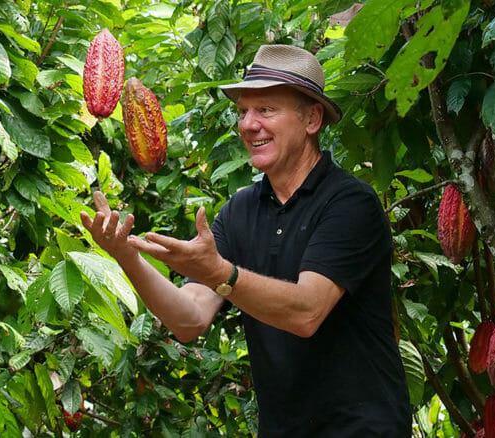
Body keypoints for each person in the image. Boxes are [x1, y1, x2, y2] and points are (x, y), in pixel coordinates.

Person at [79, 44, 411, 436]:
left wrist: (221, 273)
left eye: (266, 110)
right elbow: (190, 319)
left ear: (312, 119)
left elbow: (306, 313)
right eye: (243, 111)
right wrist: (126, 257)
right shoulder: (240, 211)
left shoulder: (349, 203)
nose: (248, 124)